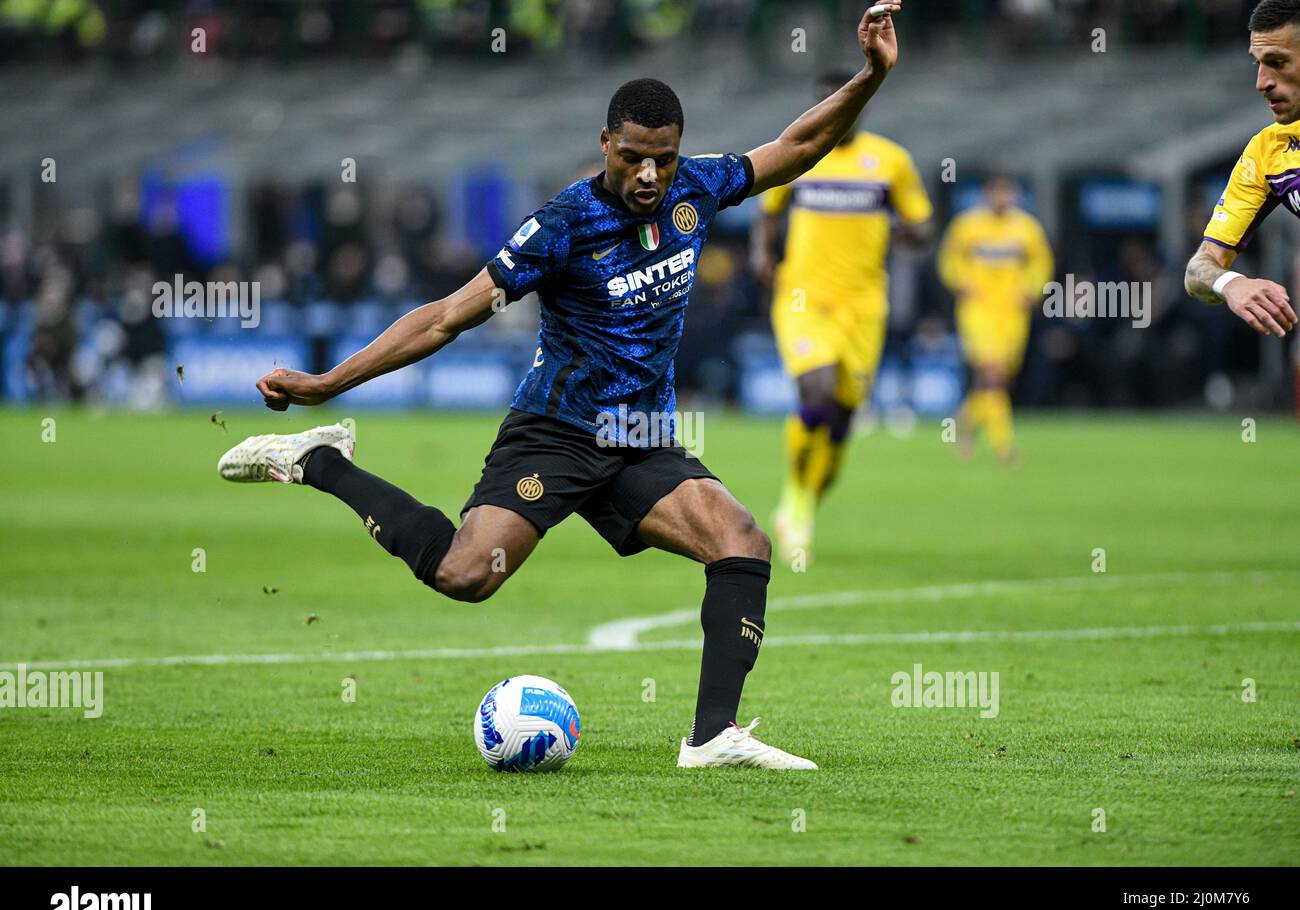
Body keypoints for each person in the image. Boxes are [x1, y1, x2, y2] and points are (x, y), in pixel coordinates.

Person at [215, 5, 905, 770]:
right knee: (465, 574)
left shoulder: (697, 188)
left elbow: (799, 144)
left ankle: (713, 738)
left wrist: (870, 76)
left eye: (663, 159)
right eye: (635, 157)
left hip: (640, 439)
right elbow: (447, 317)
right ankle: (322, 461)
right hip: (558, 432)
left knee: (742, 540)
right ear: (606, 144)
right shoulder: (562, 226)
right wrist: (328, 383)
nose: (649, 175)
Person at [752, 70, 932, 563]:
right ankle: (794, 497)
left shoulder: (890, 162)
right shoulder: (798, 155)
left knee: (841, 419)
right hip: (803, 299)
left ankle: (803, 503)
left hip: (864, 306)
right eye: (824, 103)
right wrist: (762, 253)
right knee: (818, 393)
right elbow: (768, 209)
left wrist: (909, 234)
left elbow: (921, 224)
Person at [1183, 0, 1299, 345]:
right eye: (1258, 64)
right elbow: (1198, 270)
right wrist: (1231, 283)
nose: (1261, 82)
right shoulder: (1267, 152)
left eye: (1277, 63)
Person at [937, 174, 1053, 465]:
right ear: (987, 194)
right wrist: (961, 281)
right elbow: (949, 259)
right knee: (992, 374)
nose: (1002, 198)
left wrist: (1031, 290)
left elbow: (1042, 263)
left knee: (999, 378)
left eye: (1007, 193)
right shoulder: (967, 225)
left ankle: (963, 424)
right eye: (997, 192)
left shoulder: (1026, 227)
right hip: (978, 310)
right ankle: (1003, 446)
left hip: (1012, 313)